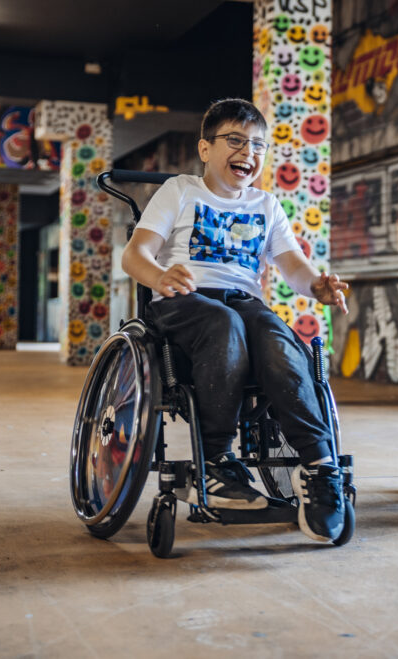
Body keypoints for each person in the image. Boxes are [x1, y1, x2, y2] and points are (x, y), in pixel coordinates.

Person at [121, 98, 349, 542]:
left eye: (258, 145)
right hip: (184, 299)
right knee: (224, 322)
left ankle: (322, 469)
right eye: (236, 141)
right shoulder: (181, 190)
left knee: (279, 341)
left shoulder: (266, 205)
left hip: (242, 302)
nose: (249, 152)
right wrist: (161, 276)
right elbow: (136, 254)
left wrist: (316, 287)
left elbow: (294, 268)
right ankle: (218, 461)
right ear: (205, 149)